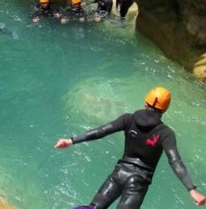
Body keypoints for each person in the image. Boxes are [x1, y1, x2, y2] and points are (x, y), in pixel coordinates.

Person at [55, 86, 206, 209]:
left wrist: (71, 140)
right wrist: (191, 189)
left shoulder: (128, 119)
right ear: (165, 109)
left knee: (93, 208)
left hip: (118, 174)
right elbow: (175, 161)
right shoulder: (165, 133)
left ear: (145, 103)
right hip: (138, 182)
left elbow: (101, 131)